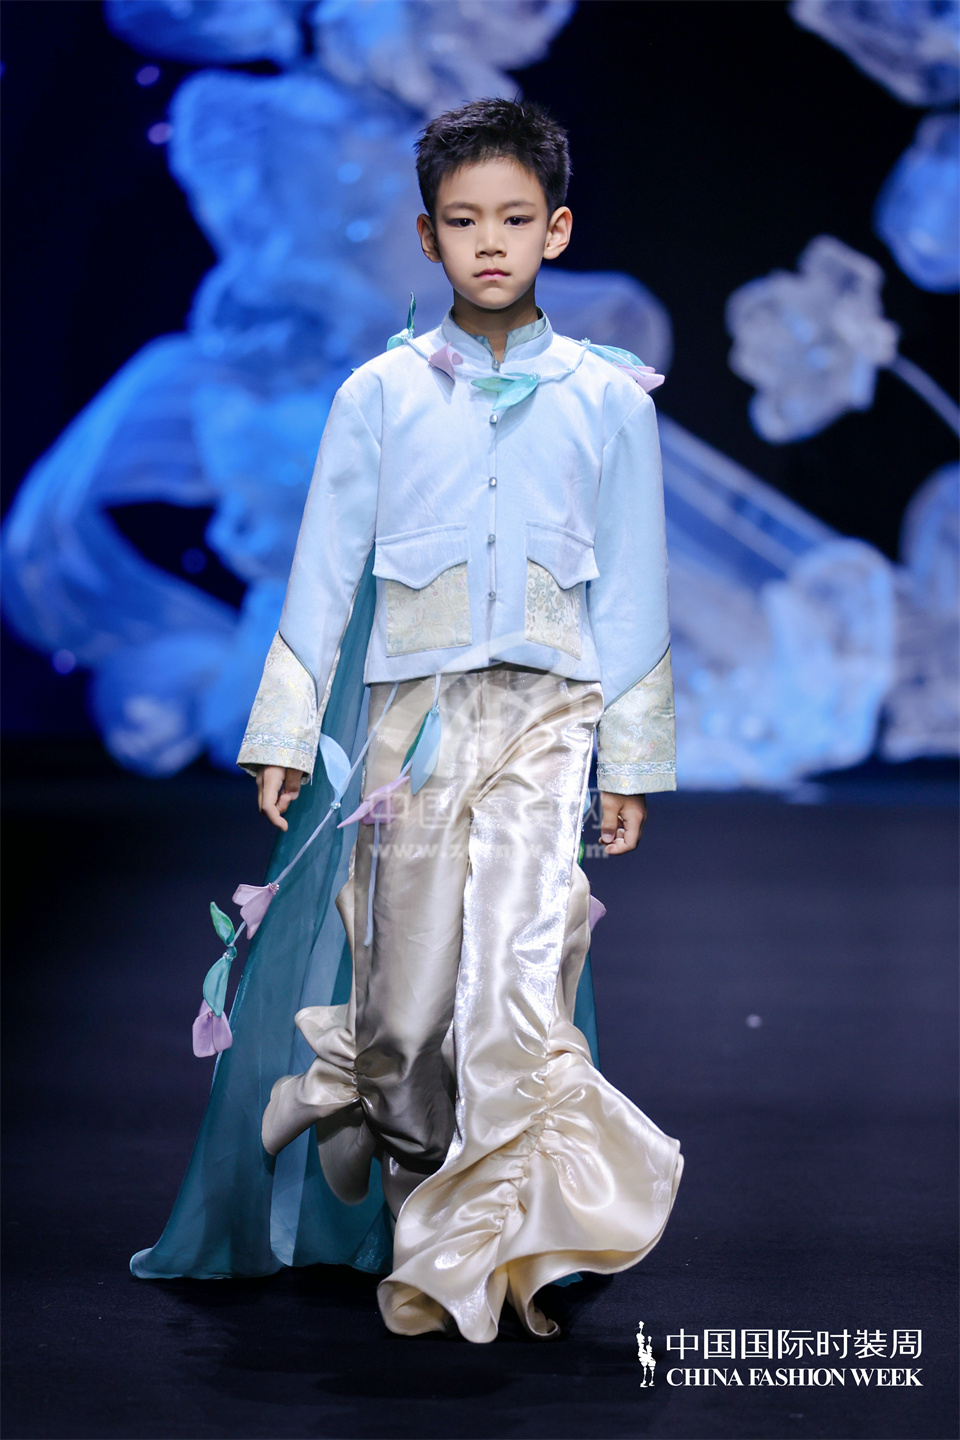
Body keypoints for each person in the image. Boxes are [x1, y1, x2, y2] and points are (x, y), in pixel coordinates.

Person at [239, 97, 683, 1343]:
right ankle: (363, 1102)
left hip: (547, 719)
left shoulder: (610, 403)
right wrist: (284, 732)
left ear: (558, 229)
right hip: (413, 730)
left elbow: (635, 588)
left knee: (512, 1007)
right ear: (427, 237)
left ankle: (469, 1257)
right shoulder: (378, 394)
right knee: (404, 1016)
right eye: (464, 220)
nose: (492, 242)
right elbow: (325, 566)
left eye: (516, 219)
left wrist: (629, 760)